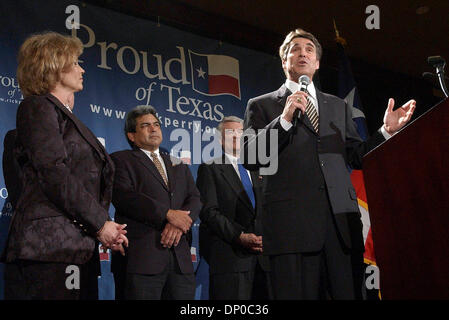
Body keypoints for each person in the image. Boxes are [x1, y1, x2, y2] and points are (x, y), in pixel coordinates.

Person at [242, 28, 416, 300]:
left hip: (340, 226)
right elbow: (252, 157)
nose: (302, 53)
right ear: (284, 61)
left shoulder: (337, 105)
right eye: (294, 49)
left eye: (309, 49)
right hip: (292, 229)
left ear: (318, 63)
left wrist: (384, 132)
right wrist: (285, 119)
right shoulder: (262, 105)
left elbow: (356, 156)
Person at [1, 31, 128, 300]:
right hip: (49, 251)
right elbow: (53, 171)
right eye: (76, 62)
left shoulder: (67, 119)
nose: (82, 69)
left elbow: (80, 182)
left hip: (77, 250)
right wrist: (100, 223)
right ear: (54, 65)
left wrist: (104, 225)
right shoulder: (37, 106)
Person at [110, 105, 201, 300]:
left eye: (156, 124)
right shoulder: (120, 160)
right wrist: (167, 214)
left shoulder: (177, 163)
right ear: (131, 136)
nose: (154, 129)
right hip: (141, 260)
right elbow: (124, 196)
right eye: (145, 125)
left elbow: (194, 198)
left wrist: (178, 223)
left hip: (180, 261)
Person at [196, 116, 271, 300]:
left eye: (240, 132)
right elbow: (209, 212)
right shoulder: (210, 168)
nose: (237, 136)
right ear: (221, 139)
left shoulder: (259, 169)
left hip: (264, 261)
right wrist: (239, 236)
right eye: (230, 133)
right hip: (231, 259)